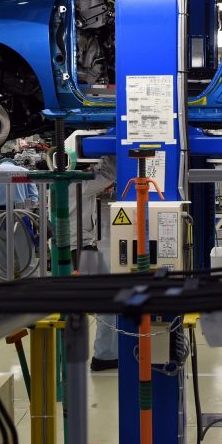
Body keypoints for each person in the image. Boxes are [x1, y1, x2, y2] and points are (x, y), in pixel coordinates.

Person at [67, 155, 119, 371]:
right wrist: (111, 152)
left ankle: (105, 353)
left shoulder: (68, 182)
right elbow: (109, 176)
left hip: (76, 246)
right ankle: (104, 356)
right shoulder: (76, 184)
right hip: (80, 249)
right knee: (108, 302)